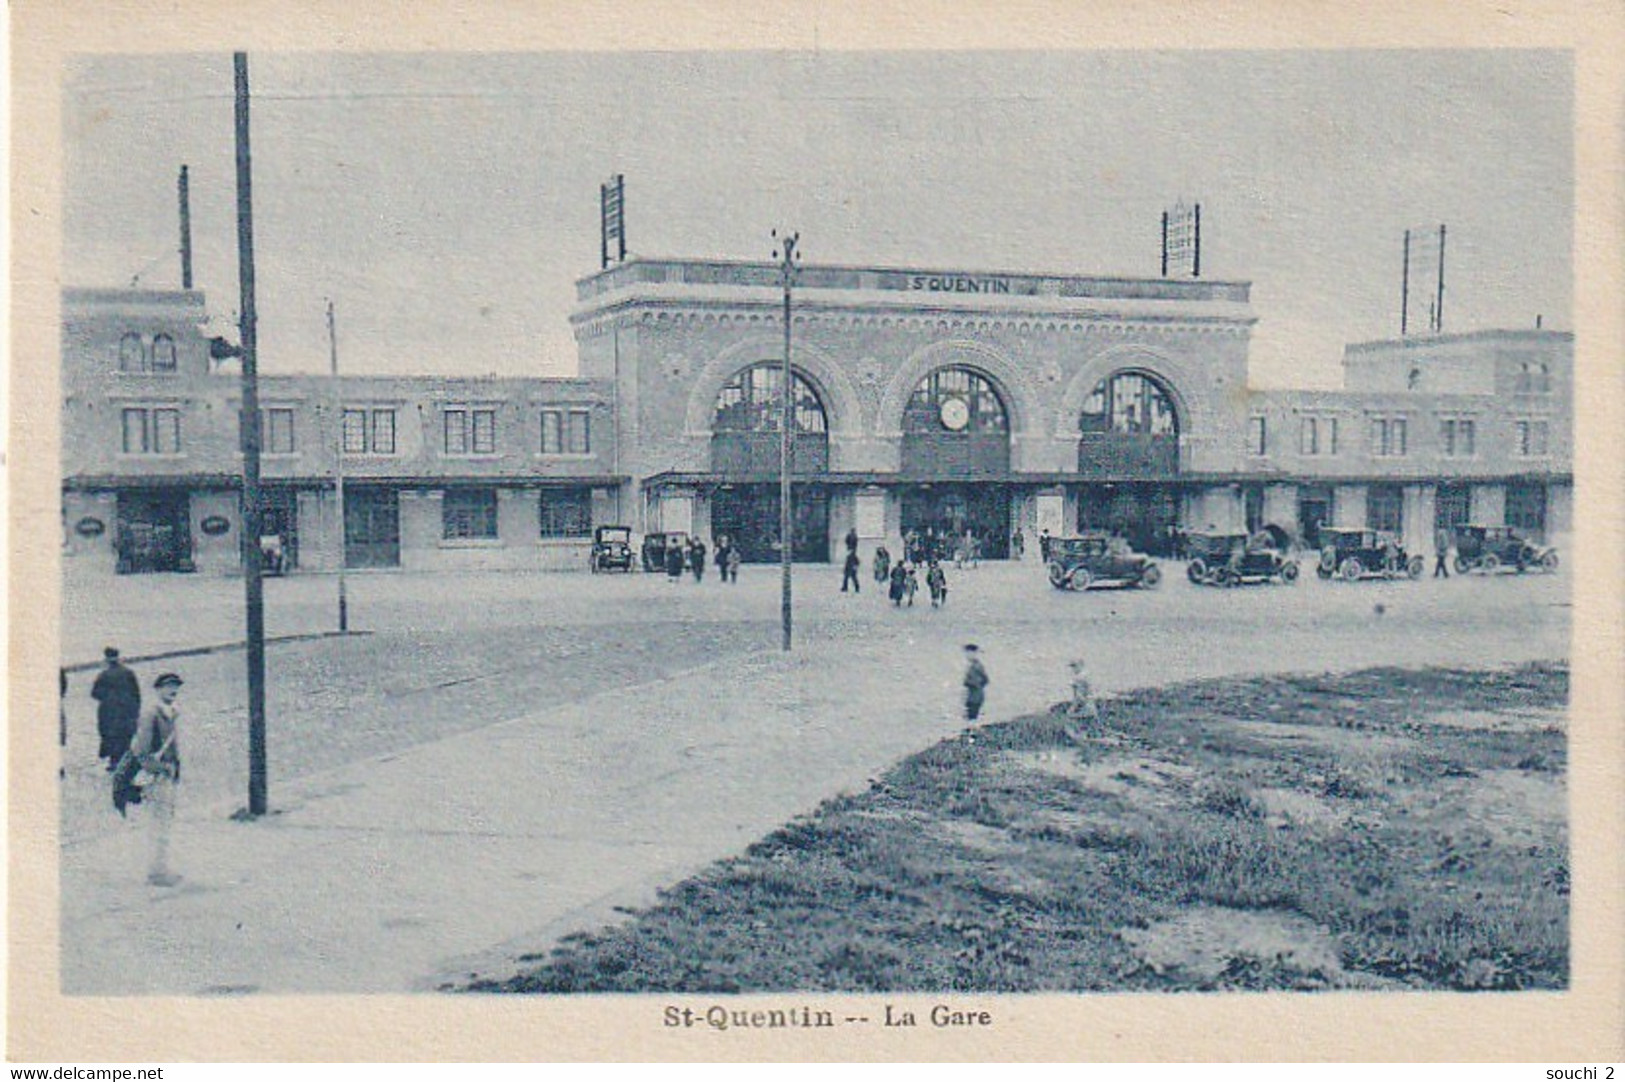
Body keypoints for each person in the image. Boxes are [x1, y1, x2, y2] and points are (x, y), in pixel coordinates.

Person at [131, 672, 184, 887]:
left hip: (167, 775)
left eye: (176, 686)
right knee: (158, 824)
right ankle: (156, 873)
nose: (173, 690)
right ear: (158, 689)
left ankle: (160, 868)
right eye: (168, 686)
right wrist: (161, 769)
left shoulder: (171, 712)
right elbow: (141, 751)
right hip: (156, 777)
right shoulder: (151, 714)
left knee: (164, 822)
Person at [91, 646, 141, 772]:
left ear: (106, 659)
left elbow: (95, 693)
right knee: (125, 737)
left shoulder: (103, 675)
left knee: (112, 738)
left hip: (109, 714)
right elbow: (137, 694)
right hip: (127, 713)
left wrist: (107, 697)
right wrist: (135, 712)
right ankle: (125, 763)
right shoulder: (129, 673)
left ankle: (114, 763)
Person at [963, 644, 989, 721]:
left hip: (975, 696)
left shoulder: (977, 666)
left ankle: (972, 730)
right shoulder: (973, 665)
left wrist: (971, 683)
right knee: (971, 716)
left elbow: (985, 680)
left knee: (972, 716)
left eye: (969, 653)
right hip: (973, 696)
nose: (967, 656)